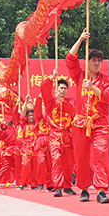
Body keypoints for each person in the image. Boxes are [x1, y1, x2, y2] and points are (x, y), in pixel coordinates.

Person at [66, 29, 109, 204]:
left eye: (99, 61)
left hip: (99, 124)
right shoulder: (79, 75)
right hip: (80, 123)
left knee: (100, 154)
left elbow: (108, 97)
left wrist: (93, 88)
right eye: (93, 60)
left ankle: (101, 189)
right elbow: (69, 59)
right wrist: (80, 39)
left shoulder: (106, 81)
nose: (96, 63)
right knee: (82, 156)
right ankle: (84, 189)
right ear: (87, 63)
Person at [41, 68, 77, 197]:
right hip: (55, 135)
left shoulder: (70, 101)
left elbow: (73, 111)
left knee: (68, 163)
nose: (62, 90)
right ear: (56, 89)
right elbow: (44, 89)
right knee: (56, 159)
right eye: (60, 88)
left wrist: (62, 101)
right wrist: (52, 77)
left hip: (67, 135)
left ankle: (67, 186)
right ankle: (58, 186)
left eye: (64, 89)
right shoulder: (50, 102)